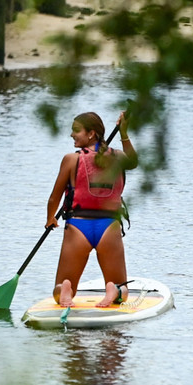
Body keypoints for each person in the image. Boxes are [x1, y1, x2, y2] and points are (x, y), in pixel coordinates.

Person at [46, 111, 138, 307]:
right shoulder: (117, 157)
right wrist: (124, 133)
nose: (72, 134)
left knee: (59, 287)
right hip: (109, 228)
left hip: (78, 227)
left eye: (76, 130)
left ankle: (66, 289)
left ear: (91, 134)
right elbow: (133, 162)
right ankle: (114, 290)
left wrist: (50, 218)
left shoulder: (71, 159)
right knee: (122, 289)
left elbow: (55, 197)